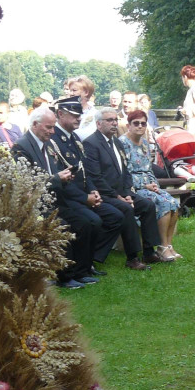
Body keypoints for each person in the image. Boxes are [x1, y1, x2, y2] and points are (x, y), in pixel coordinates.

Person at [12, 108, 98, 289]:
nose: (52, 132)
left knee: (87, 221)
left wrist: (65, 177)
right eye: (48, 128)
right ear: (34, 125)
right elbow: (29, 181)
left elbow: (54, 173)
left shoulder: (48, 145)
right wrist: (58, 178)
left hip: (56, 199)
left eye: (53, 128)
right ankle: (64, 276)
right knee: (62, 225)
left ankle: (81, 271)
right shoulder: (21, 147)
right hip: (38, 205)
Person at [49, 97, 124, 274]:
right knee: (91, 221)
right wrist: (85, 198)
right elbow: (63, 179)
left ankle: (89, 259)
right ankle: (80, 265)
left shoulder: (74, 138)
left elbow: (83, 171)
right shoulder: (53, 140)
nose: (78, 119)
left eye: (79, 115)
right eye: (74, 115)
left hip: (84, 195)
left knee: (115, 217)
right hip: (67, 198)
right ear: (60, 114)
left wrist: (93, 191)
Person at [83, 108, 163, 270]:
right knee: (126, 209)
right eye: (109, 120)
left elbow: (125, 171)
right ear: (98, 124)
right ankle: (132, 257)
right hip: (103, 195)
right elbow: (95, 177)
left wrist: (127, 193)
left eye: (115, 120)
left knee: (147, 206)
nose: (114, 123)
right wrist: (118, 197)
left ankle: (149, 252)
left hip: (121, 193)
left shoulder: (116, 142)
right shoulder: (91, 144)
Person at [120, 109, 181, 261]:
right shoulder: (122, 144)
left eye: (143, 123)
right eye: (136, 123)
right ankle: (161, 247)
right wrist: (144, 186)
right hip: (133, 188)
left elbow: (149, 169)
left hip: (148, 185)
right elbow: (123, 174)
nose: (140, 126)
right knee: (163, 203)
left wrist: (153, 184)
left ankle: (167, 245)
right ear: (129, 125)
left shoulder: (146, 144)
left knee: (173, 202)